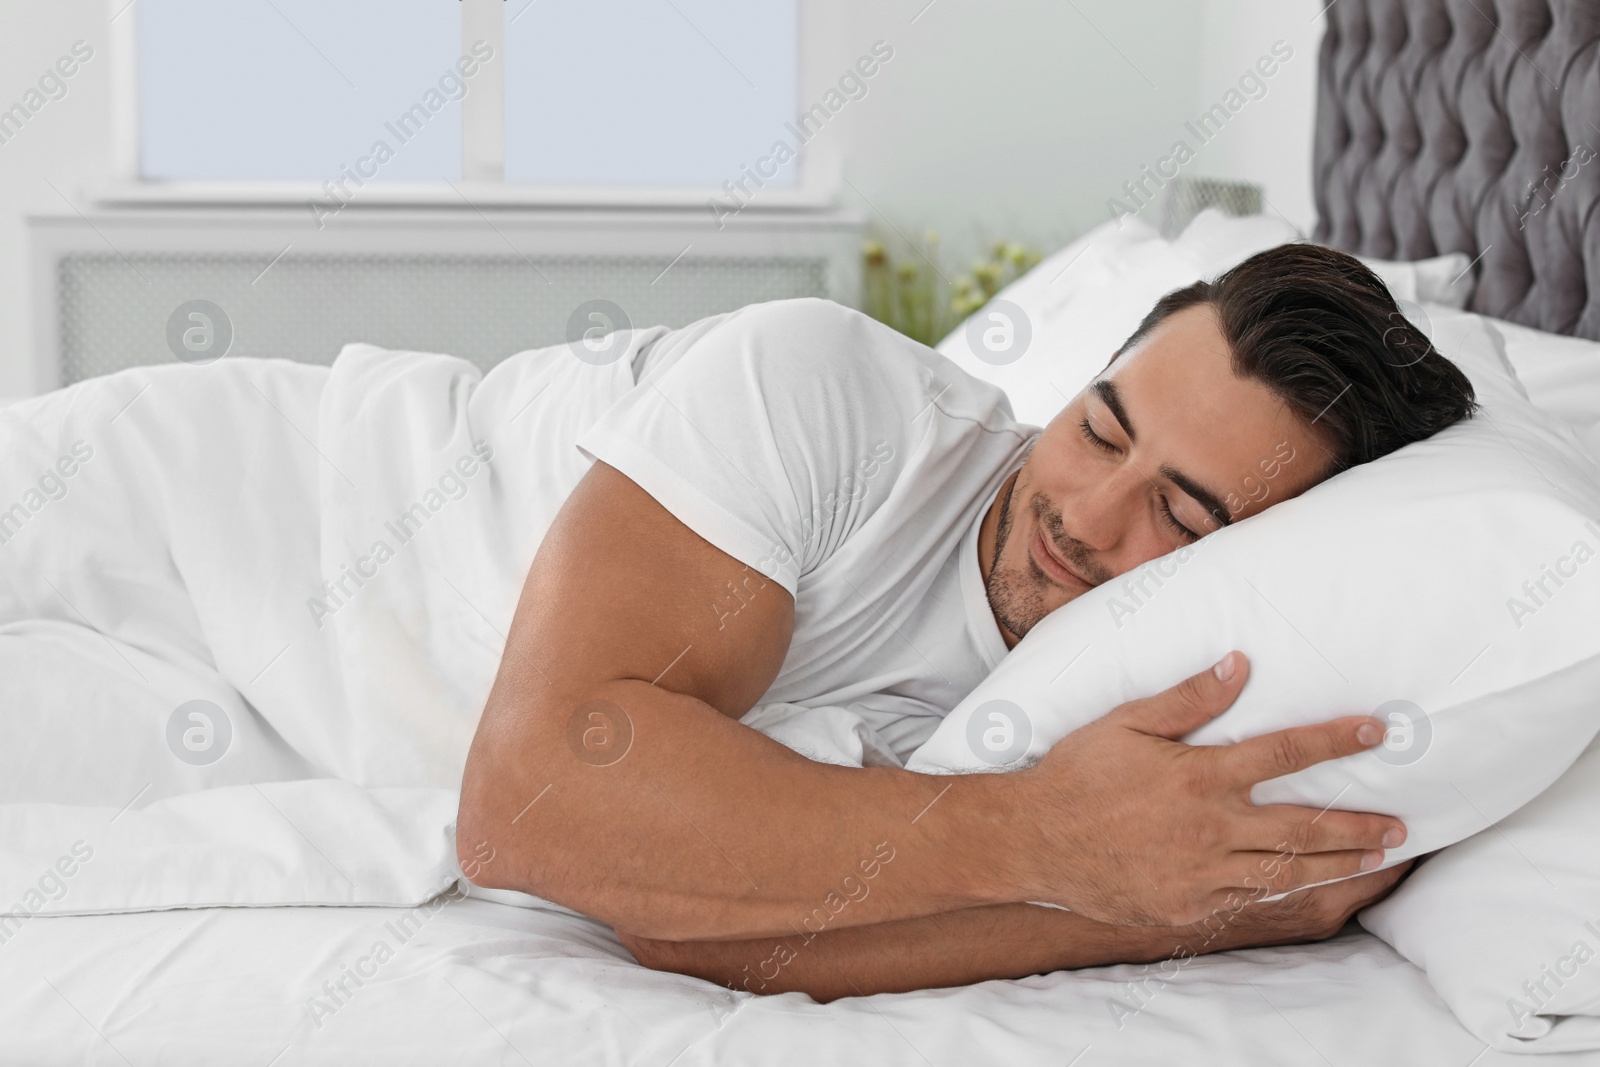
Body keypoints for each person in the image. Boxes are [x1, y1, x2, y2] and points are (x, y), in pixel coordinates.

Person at [455, 243, 1478, 1001]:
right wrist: (1051, 840)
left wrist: (1183, 902)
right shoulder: (820, 384)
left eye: (1178, 513)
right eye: (1098, 429)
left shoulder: (1134, 701)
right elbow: (531, 801)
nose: (1084, 518)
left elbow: (705, 931)